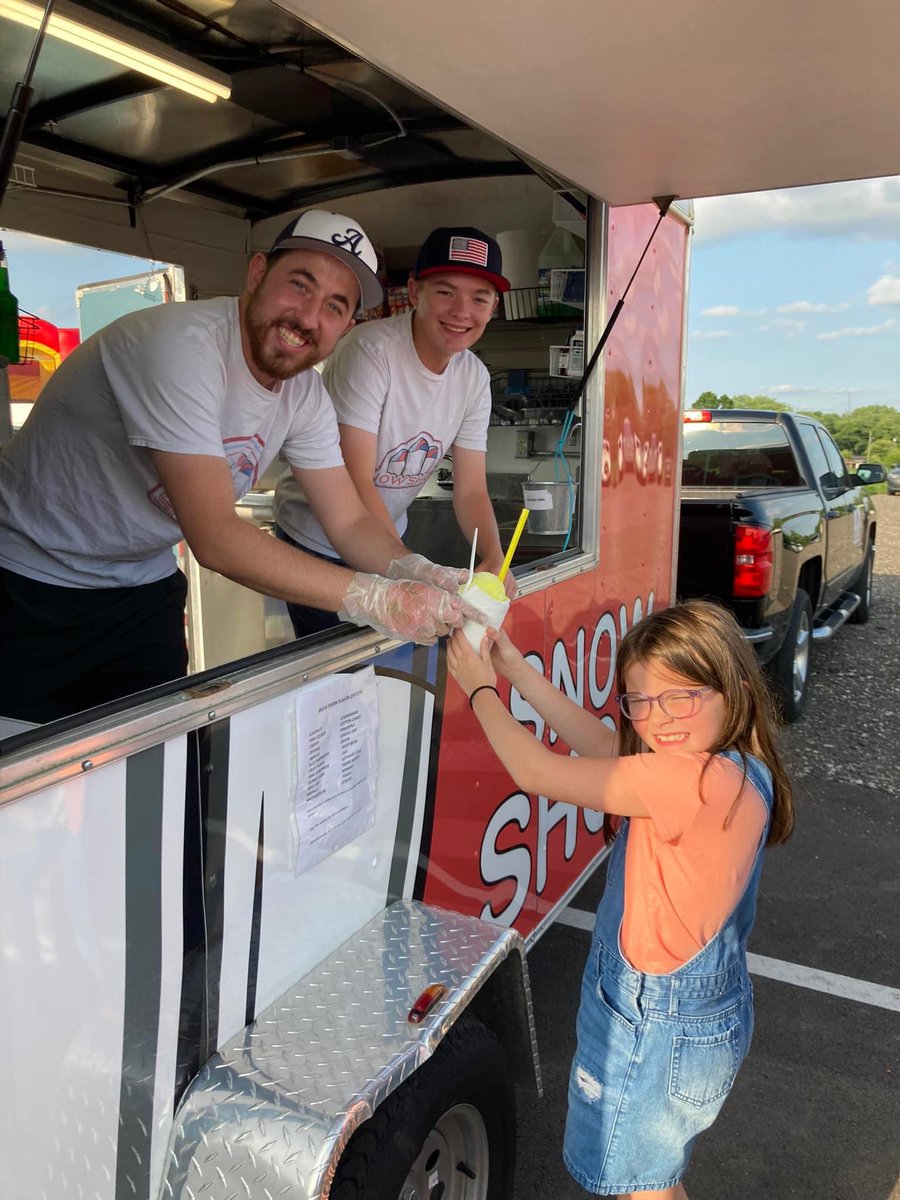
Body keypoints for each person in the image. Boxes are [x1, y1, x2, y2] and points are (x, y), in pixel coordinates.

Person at [0, 210, 480, 725]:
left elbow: (349, 520)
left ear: (346, 326)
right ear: (257, 274)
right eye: (300, 285)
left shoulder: (304, 395)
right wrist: (375, 598)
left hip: (143, 585)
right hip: (31, 578)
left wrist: (413, 569)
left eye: (335, 306)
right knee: (28, 767)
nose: (309, 317)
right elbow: (215, 537)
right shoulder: (182, 347)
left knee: (162, 759)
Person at [447, 599, 794, 1200]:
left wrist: (479, 689)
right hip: (689, 1013)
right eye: (641, 700)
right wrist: (517, 672)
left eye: (682, 696)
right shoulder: (735, 764)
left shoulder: (690, 781)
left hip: (655, 1021)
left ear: (735, 689)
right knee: (652, 1178)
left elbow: (536, 772)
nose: (660, 720)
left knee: (642, 1187)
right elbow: (607, 745)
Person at [273, 225, 517, 639]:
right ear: (415, 292)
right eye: (446, 292)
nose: (462, 311)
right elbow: (356, 480)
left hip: (388, 540)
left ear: (493, 307)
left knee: (384, 660)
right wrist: (406, 570)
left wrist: (494, 558)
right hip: (320, 541)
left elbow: (471, 490)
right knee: (342, 671)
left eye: (479, 298)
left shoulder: (474, 377)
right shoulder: (371, 352)